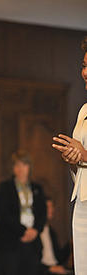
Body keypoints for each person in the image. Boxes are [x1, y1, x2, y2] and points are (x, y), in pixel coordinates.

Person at [52, 36, 87, 275]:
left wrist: (84, 154)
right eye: (84, 65)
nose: (85, 72)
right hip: (83, 201)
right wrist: (74, 159)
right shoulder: (84, 110)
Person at [0, 150, 47, 275]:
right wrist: (23, 231)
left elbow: (43, 213)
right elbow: (4, 214)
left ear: (29, 167)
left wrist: (35, 231)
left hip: (33, 241)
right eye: (17, 165)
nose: (20, 169)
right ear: (13, 168)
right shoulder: (6, 187)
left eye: (24, 165)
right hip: (10, 241)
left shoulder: (37, 188)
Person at [39, 198, 72, 275]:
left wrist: (70, 244)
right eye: (48, 207)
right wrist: (49, 268)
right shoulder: (33, 233)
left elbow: (58, 257)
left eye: (52, 207)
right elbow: (29, 260)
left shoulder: (50, 231)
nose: (52, 210)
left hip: (56, 268)